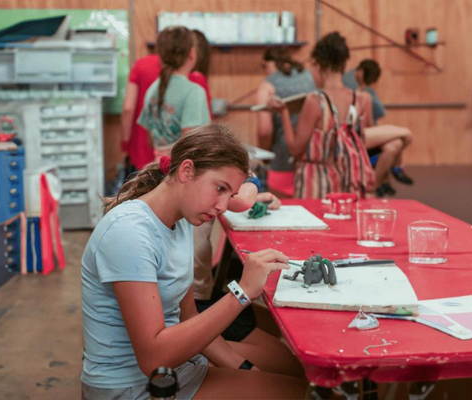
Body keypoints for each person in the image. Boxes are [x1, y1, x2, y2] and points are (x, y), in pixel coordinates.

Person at [81, 124, 307, 400]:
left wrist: (247, 370)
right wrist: (242, 292)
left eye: (231, 195)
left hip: (181, 368)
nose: (223, 206)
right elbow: (154, 358)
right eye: (220, 188)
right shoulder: (129, 233)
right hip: (133, 387)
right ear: (186, 171)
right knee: (299, 394)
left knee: (297, 374)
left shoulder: (181, 221)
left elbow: (189, 318)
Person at [267, 32, 374, 199]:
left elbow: (295, 149)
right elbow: (362, 143)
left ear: (319, 65)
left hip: (314, 184)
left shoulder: (316, 101)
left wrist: (283, 112)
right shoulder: (360, 100)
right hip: (345, 182)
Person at [120, 29, 211, 172]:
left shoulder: (152, 90)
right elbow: (190, 142)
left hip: (160, 168)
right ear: (192, 53)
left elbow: (150, 139)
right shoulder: (194, 91)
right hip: (183, 173)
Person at [343, 59, 415, 197]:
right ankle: (395, 168)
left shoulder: (365, 93)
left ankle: (375, 184)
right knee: (406, 134)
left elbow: (374, 117)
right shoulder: (362, 93)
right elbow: (375, 118)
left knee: (395, 144)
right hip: (358, 136)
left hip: (364, 134)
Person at [255, 46, 316, 197]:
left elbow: (264, 131)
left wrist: (265, 155)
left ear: (266, 63)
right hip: (312, 160)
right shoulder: (309, 76)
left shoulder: (267, 86)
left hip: (282, 160)